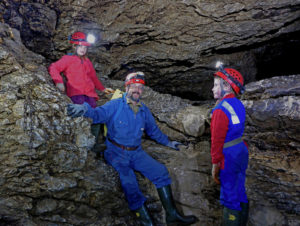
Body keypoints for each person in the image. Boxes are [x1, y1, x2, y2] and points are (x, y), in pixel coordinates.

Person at [66, 71, 198, 226]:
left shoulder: (144, 110)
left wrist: (169, 143)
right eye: (134, 86)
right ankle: (146, 221)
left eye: (140, 87)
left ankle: (172, 215)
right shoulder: (115, 105)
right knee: (129, 182)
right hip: (116, 152)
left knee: (161, 172)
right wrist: (83, 109)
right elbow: (97, 114)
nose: (137, 90)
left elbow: (154, 131)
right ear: (127, 87)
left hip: (136, 152)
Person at [48, 31, 113, 150]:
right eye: (80, 46)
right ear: (74, 46)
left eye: (85, 47)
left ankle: (93, 143)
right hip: (76, 94)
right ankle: (81, 145)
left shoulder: (87, 62)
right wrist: (59, 82)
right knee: (82, 118)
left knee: (96, 117)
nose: (83, 49)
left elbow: (93, 77)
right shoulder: (67, 59)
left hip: (90, 95)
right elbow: (54, 67)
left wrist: (103, 89)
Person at [210, 62, 249, 226]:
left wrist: (215, 163)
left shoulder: (220, 109)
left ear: (226, 86)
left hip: (229, 155)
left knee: (229, 196)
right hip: (241, 150)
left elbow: (217, 140)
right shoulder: (239, 104)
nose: (212, 89)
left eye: (216, 85)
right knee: (240, 190)